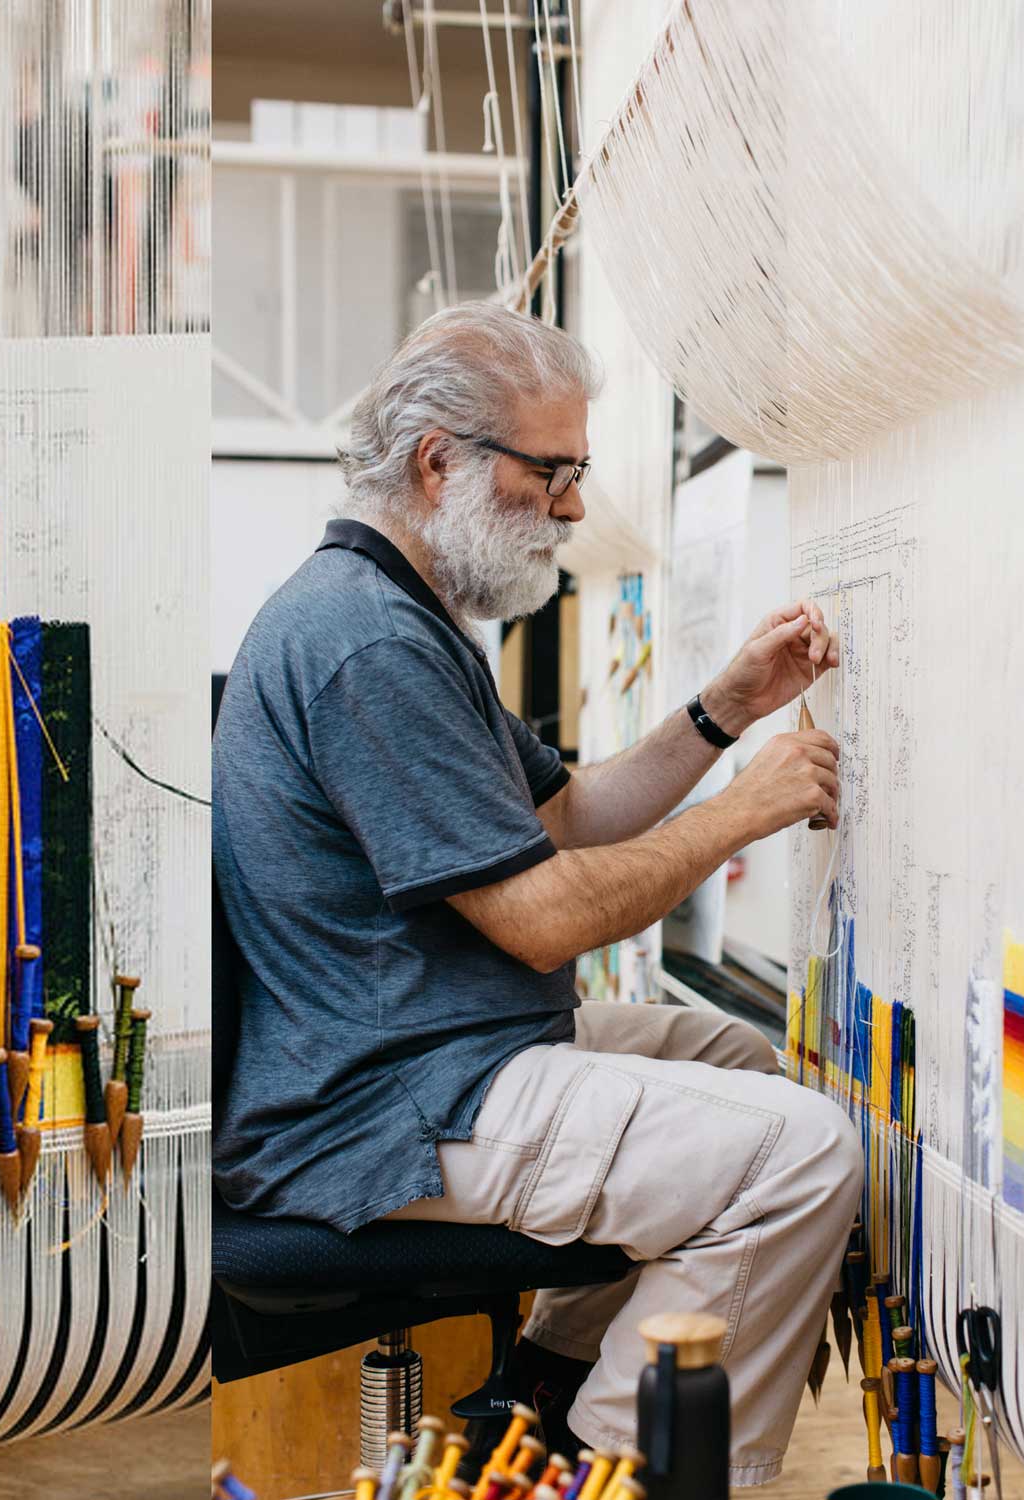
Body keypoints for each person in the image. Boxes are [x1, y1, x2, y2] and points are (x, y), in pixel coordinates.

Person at [211, 301, 860, 1487]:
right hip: (378, 1107)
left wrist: (726, 709)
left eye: (579, 473)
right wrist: (743, 813)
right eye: (553, 473)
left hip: (421, 1048)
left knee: (736, 1062)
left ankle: (549, 1392)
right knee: (801, 1155)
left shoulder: (404, 615)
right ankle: (614, 1476)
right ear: (437, 461)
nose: (570, 507)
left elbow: (560, 821)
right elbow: (544, 913)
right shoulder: (366, 642)